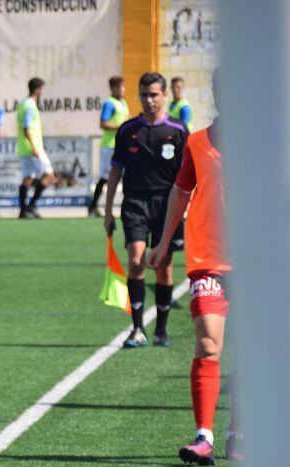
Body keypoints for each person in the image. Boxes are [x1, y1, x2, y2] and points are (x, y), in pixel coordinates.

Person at [147, 70, 237, 463]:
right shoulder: (197, 143)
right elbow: (181, 193)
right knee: (207, 343)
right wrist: (164, 243)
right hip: (208, 260)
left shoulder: (268, 141)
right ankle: (204, 436)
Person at [104, 72, 189, 348]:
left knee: (163, 268)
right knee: (137, 259)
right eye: (144, 95)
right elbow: (116, 170)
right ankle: (137, 328)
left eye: (154, 94)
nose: (149, 100)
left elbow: (188, 175)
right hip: (135, 204)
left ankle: (161, 330)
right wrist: (107, 210)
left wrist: (190, 209)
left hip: (168, 206)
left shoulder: (177, 131)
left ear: (164, 95)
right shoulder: (128, 130)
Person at [88, 76, 129, 217]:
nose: (122, 89)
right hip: (109, 146)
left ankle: (127, 206)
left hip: (121, 145)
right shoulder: (109, 104)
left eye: (123, 86)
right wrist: (121, 127)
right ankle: (92, 207)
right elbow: (103, 123)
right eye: (119, 87)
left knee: (126, 176)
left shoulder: (123, 102)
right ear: (112, 88)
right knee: (105, 177)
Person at [16, 77, 54, 219]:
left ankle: (24, 209)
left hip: (27, 147)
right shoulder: (30, 106)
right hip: (32, 149)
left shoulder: (24, 104)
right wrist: (34, 147)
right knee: (49, 176)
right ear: (38, 89)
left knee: (28, 178)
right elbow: (26, 128)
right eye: (42, 88)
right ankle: (29, 207)